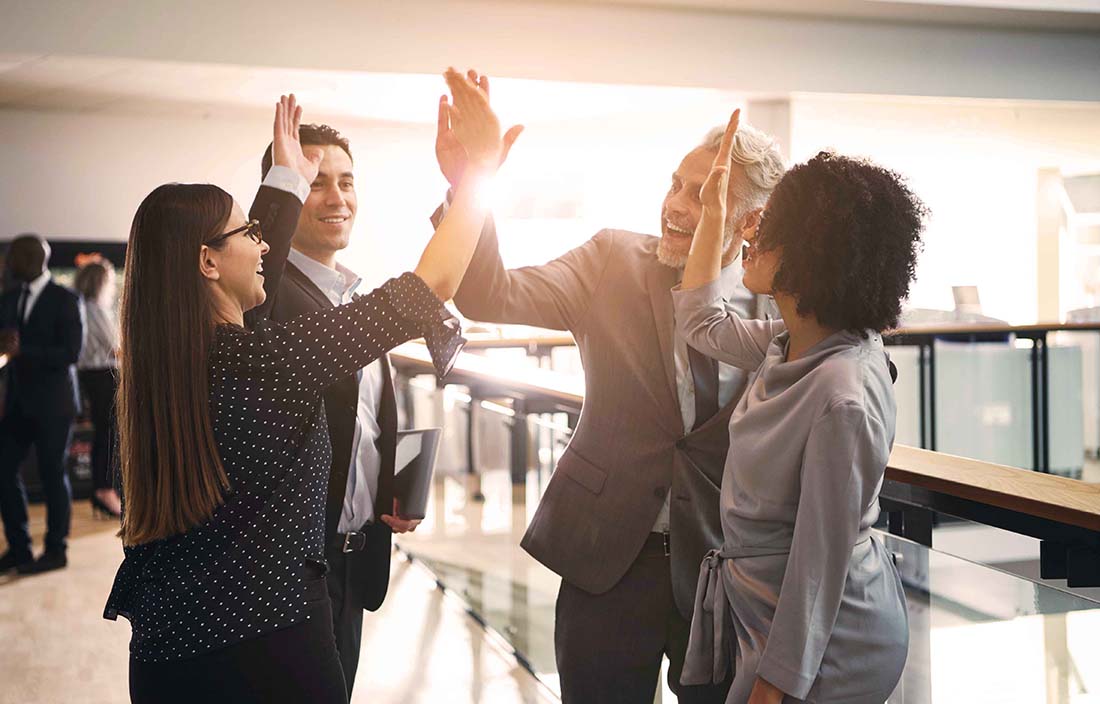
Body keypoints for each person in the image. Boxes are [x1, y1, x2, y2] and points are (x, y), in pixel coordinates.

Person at [104, 73, 501, 704]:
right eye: (248, 234)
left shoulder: (164, 369)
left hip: (169, 657)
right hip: (272, 650)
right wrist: (478, 173)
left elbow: (252, 277)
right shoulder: (267, 363)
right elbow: (431, 285)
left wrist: (286, 178)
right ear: (208, 262)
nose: (264, 244)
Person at [437, 71, 785, 702]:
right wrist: (469, 185)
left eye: (701, 195)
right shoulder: (611, 259)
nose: (676, 204)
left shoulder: (782, 310)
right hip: (606, 558)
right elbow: (487, 291)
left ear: (751, 220)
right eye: (675, 184)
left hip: (720, 570)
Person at [675, 111, 923, 703]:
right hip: (766, 617)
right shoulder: (789, 340)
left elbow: (819, 563)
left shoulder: (844, 394)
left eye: (772, 229)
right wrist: (714, 216)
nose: (753, 236)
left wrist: (774, 684)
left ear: (814, 254)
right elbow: (700, 321)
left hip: (832, 644)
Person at [244, 121, 422, 698]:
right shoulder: (263, 299)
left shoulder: (353, 294)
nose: (337, 198)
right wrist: (280, 185)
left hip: (353, 560)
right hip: (291, 570)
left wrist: (391, 488)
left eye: (347, 182)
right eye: (316, 183)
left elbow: (362, 423)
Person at [0, 234, 84, 575]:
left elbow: (71, 353)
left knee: (52, 475)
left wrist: (24, 351)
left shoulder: (65, 298)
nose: (7, 263)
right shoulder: (9, 298)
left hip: (54, 404)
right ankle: (19, 549)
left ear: (34, 259)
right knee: (4, 470)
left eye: (12, 257)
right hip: (19, 401)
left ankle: (55, 550)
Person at [74, 257, 122, 519]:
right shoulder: (95, 309)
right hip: (103, 376)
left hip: (93, 376)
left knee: (105, 433)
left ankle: (104, 491)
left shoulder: (81, 307)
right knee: (109, 434)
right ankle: (105, 491)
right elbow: (116, 348)